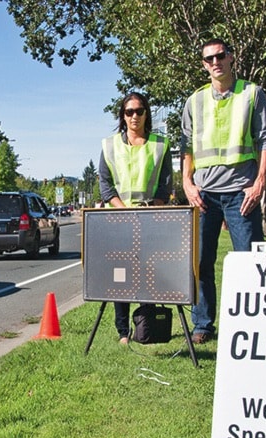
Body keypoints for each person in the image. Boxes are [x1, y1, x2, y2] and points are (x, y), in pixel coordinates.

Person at [181, 38, 266, 344]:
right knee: (201, 263)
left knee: (251, 261)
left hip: (241, 193)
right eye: (208, 59)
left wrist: (260, 181)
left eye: (220, 56)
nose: (215, 62)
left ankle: (256, 324)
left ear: (231, 58)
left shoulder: (252, 93)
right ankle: (203, 325)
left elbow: (264, 139)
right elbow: (186, 147)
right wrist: (187, 183)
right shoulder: (194, 101)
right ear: (203, 65)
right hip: (205, 195)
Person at [99, 92, 173, 344]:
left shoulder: (160, 145)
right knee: (121, 277)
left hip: (150, 221)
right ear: (122, 115)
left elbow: (164, 187)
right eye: (129, 112)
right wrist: (123, 210)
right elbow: (106, 186)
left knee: (147, 276)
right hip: (119, 222)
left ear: (146, 114)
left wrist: (151, 209)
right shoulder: (109, 146)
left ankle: (146, 327)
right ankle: (123, 332)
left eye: (139, 111)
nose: (134, 116)